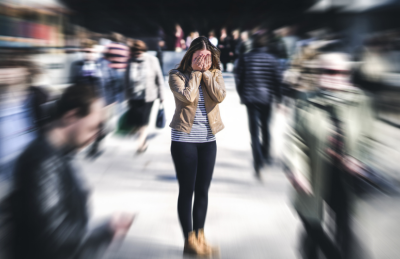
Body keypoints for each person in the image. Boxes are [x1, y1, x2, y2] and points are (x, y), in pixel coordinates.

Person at [4, 83, 134, 259]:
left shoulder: (57, 155)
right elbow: (56, 240)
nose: (97, 135)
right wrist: (107, 231)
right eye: (94, 127)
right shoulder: (43, 162)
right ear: (71, 116)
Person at [285, 53, 375, 259]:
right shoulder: (305, 100)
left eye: (343, 72)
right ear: (318, 73)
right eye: (330, 71)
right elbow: (295, 138)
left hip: (344, 176)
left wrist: (359, 158)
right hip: (313, 172)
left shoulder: (360, 102)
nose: (337, 76)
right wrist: (297, 169)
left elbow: (368, 137)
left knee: (344, 226)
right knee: (311, 221)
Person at [168, 36, 226, 256]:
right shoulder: (176, 75)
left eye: (208, 57)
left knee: (203, 190)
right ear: (190, 56)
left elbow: (220, 96)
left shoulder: (215, 74)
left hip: (208, 141)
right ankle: (189, 240)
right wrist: (195, 73)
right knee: (187, 190)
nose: (204, 61)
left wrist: (207, 74)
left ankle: (200, 236)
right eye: (199, 57)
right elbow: (187, 97)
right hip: (184, 140)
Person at [235, 32, 282, 178]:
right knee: (266, 128)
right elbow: (277, 80)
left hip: (251, 99)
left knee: (254, 133)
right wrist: (279, 98)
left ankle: (257, 162)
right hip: (266, 99)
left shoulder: (245, 58)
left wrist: (242, 94)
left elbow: (239, 79)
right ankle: (265, 156)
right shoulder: (272, 59)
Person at [125, 40, 165, 153]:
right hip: (134, 96)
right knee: (138, 121)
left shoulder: (152, 60)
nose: (138, 54)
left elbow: (159, 78)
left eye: (140, 52)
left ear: (144, 50)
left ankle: (140, 144)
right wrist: (126, 97)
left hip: (148, 96)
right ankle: (143, 140)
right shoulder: (130, 62)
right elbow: (126, 81)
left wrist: (161, 95)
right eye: (135, 52)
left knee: (143, 120)